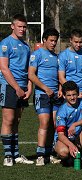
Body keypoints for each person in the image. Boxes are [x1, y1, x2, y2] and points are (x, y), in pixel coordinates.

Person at [0, 14, 34, 166]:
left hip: (23, 87)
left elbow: (29, 69)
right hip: (9, 86)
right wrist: (17, 88)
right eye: (19, 26)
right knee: (8, 119)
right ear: (12, 26)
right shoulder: (5, 44)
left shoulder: (26, 46)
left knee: (17, 120)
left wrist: (29, 87)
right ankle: (8, 156)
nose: (22, 29)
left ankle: (15, 154)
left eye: (24, 27)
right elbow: (4, 68)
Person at [28, 28, 63, 166]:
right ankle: (40, 155)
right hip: (42, 94)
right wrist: (46, 88)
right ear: (44, 40)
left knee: (54, 124)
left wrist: (60, 89)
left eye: (55, 41)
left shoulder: (57, 57)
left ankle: (49, 153)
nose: (53, 43)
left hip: (55, 95)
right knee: (44, 123)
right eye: (51, 40)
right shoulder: (36, 55)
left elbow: (59, 76)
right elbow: (31, 75)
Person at [54, 81, 82, 168]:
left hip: (78, 137)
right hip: (64, 139)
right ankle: (68, 158)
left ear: (78, 94)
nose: (72, 98)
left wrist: (74, 125)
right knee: (63, 152)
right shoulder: (61, 111)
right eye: (69, 95)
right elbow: (60, 135)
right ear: (64, 96)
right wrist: (71, 145)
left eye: (74, 94)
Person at [58, 29, 82, 98]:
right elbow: (61, 77)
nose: (78, 45)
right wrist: (73, 91)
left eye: (81, 42)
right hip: (69, 93)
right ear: (70, 40)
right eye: (76, 42)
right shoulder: (63, 55)